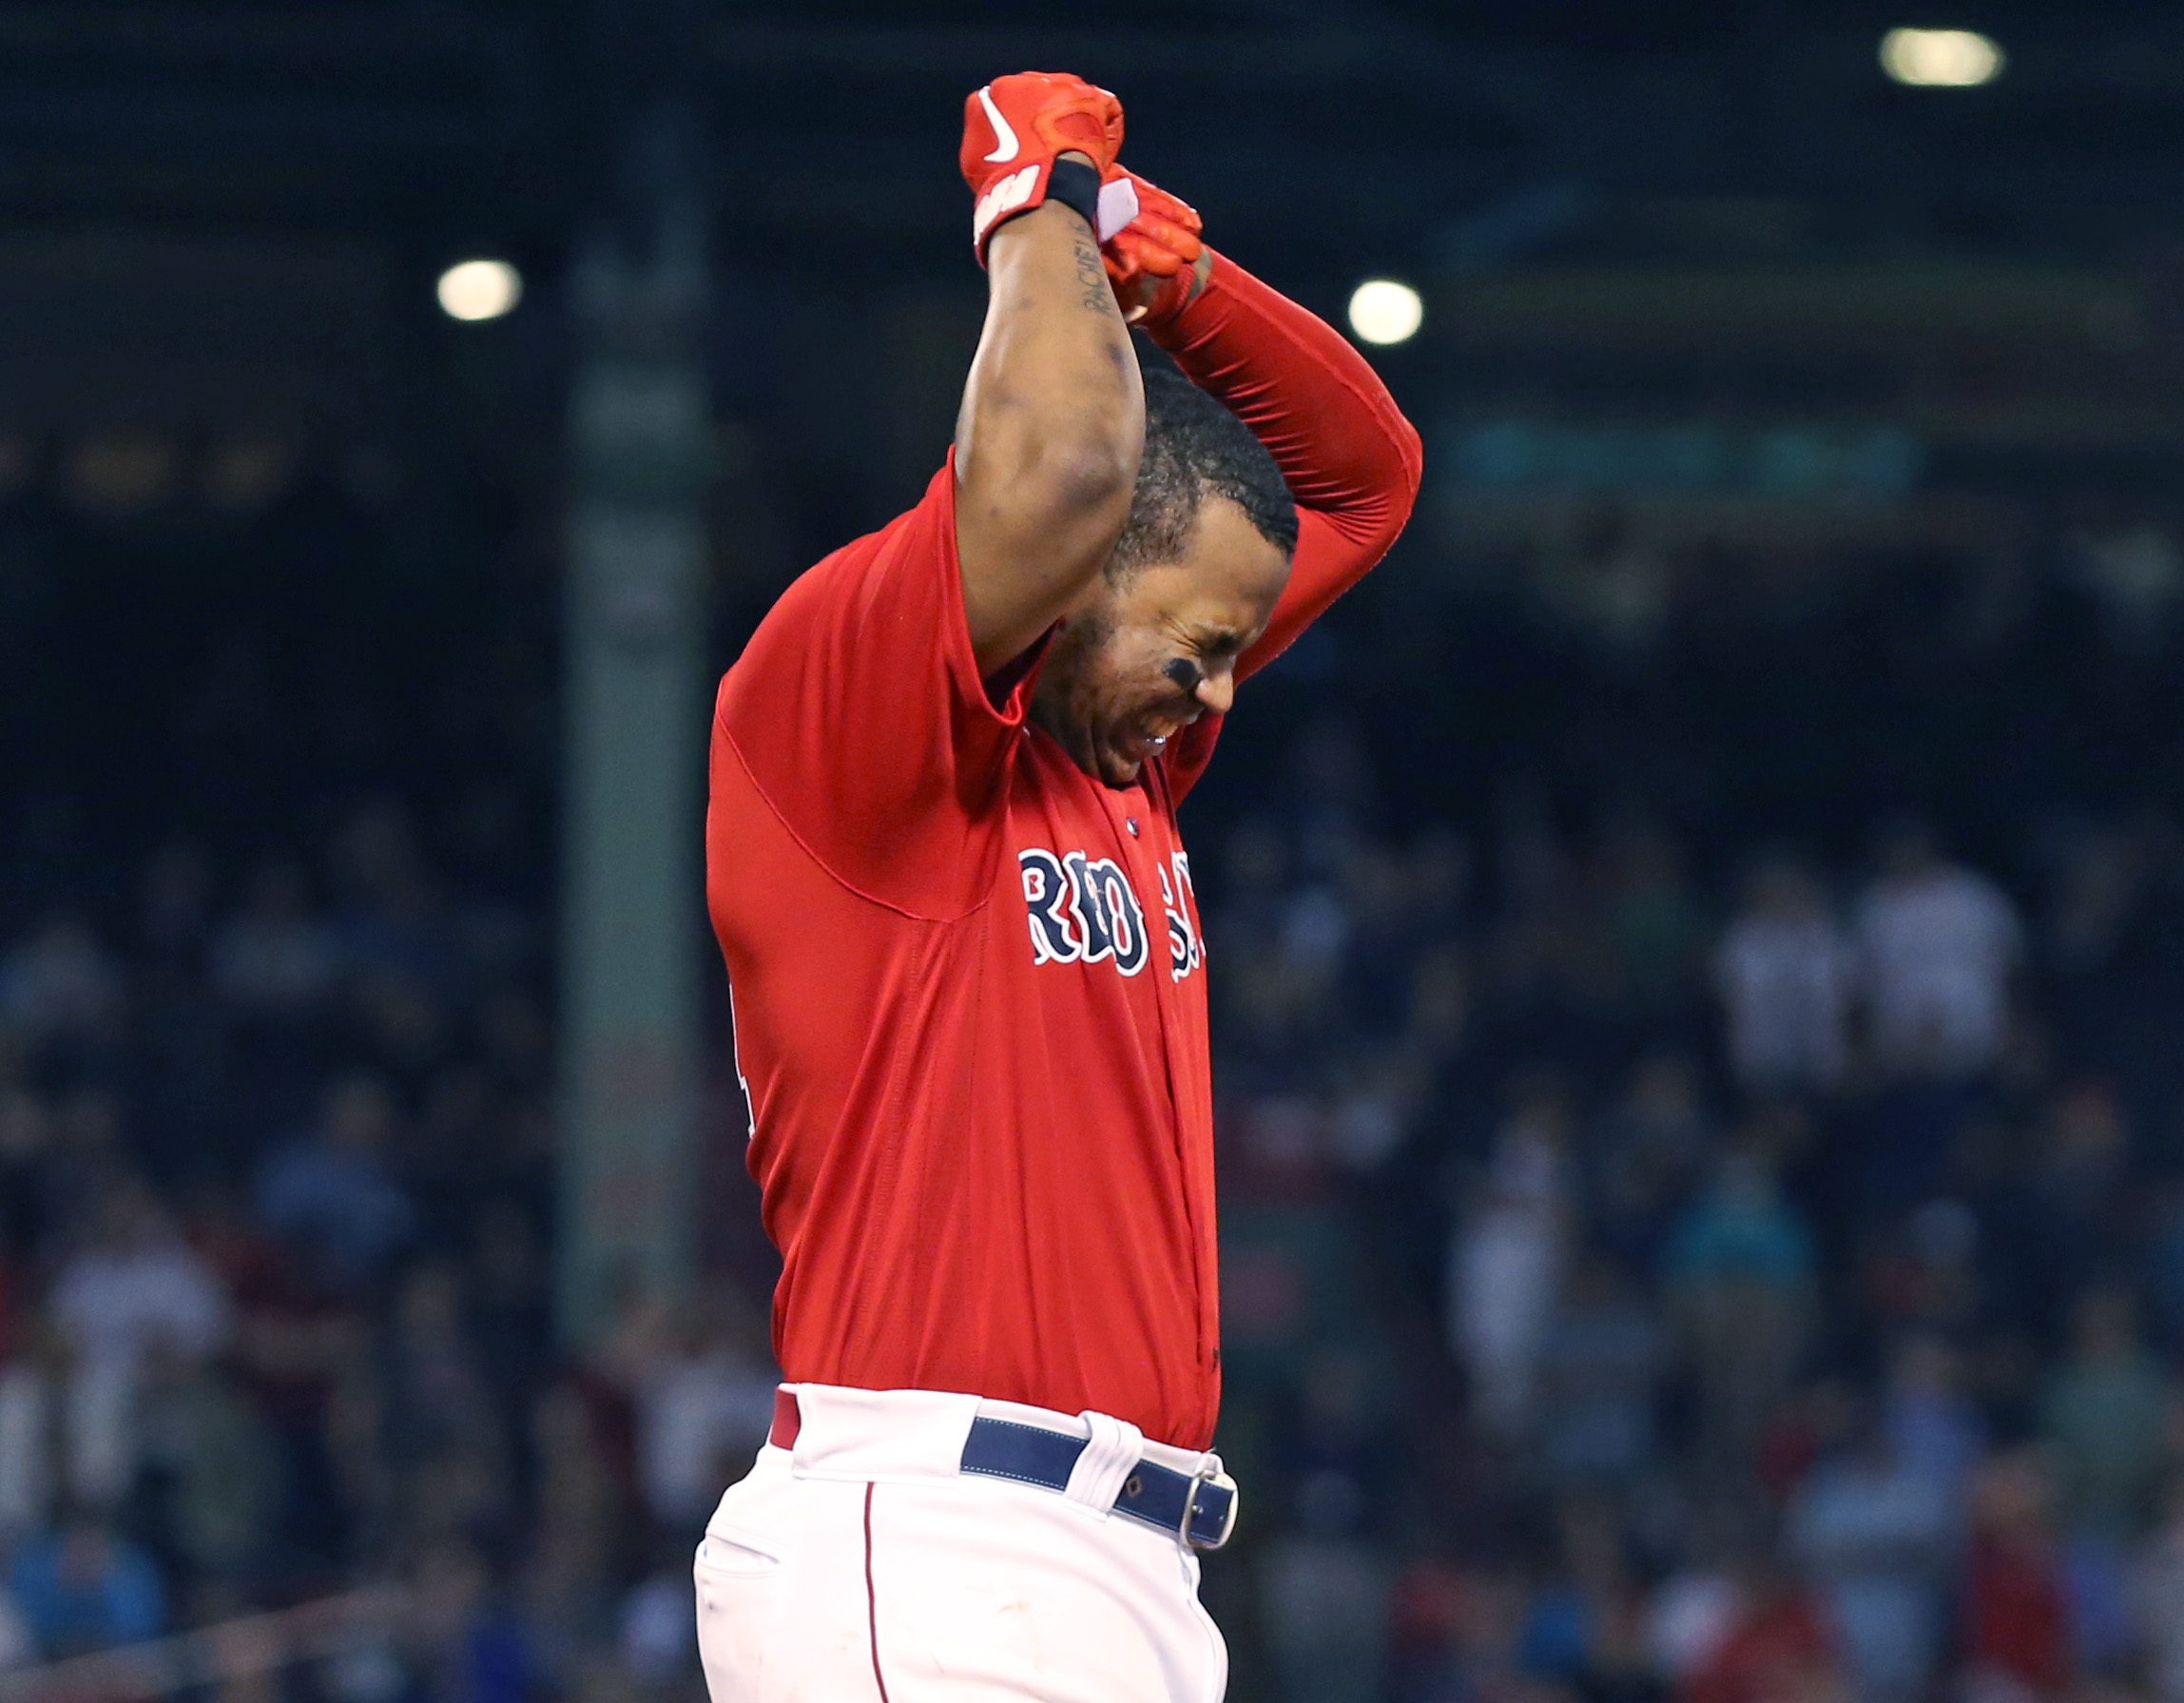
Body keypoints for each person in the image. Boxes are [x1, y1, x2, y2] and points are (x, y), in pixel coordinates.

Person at [697, 71, 1420, 1703]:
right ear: (1075, 582)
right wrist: (1032, 205)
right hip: (933, 1530)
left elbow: (1365, 481)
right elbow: (1066, 480)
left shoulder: (1121, 771)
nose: (1222, 690)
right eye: (1199, 641)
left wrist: (1165, 269)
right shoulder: (853, 720)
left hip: (1113, 1565)